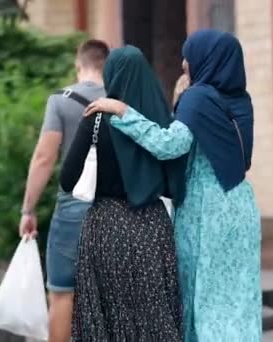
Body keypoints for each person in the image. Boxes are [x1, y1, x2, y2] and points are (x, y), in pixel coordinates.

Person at [84, 30, 262, 341]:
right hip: (240, 206)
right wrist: (183, 101)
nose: (183, 63)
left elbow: (170, 145)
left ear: (206, 59)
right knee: (237, 300)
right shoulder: (240, 100)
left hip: (207, 208)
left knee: (200, 297)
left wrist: (123, 112)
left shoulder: (198, 98)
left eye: (189, 55)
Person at [60, 45, 185, 341]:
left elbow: (67, 179)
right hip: (152, 229)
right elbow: (176, 176)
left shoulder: (97, 117)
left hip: (106, 228)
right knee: (153, 316)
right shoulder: (161, 121)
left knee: (109, 317)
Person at [18, 39, 109, 342]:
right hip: (117, 206)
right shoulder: (122, 100)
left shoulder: (61, 100)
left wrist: (28, 209)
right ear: (105, 64)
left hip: (74, 207)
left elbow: (45, 157)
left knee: (62, 294)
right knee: (112, 296)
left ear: (78, 64)